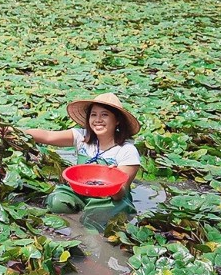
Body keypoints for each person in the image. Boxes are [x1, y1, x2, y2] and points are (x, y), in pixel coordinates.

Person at [20, 92, 141, 232]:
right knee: (57, 202)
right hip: (80, 191)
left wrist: (113, 180)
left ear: (117, 120)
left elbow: (120, 194)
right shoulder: (82, 137)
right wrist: (17, 132)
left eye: (105, 115)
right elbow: (48, 136)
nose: (98, 120)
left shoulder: (127, 151)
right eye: (93, 115)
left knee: (95, 220)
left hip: (109, 200)